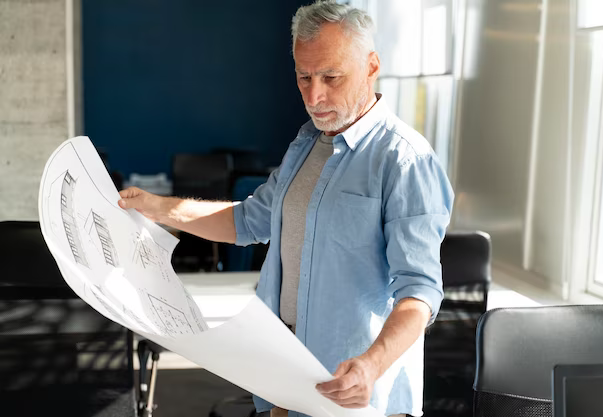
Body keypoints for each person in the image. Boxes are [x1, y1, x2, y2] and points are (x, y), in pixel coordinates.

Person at [118, 1, 454, 416]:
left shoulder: (404, 160)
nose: (314, 95)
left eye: (331, 77)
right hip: (285, 373)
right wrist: (158, 207)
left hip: (352, 390)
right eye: (304, 77)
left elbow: (419, 292)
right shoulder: (307, 144)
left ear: (371, 67)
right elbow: (247, 220)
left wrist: (371, 366)